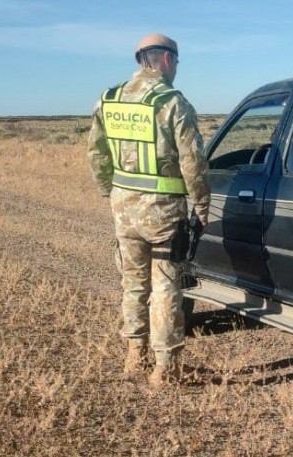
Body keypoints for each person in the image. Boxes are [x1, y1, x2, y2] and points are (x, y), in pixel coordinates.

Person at [87, 33, 210, 388]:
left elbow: (95, 154)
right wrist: (201, 204)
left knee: (133, 284)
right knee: (167, 286)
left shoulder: (109, 99)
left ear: (141, 58)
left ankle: (134, 355)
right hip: (163, 213)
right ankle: (165, 368)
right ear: (168, 60)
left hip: (123, 209)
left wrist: (109, 190)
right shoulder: (172, 102)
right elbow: (193, 161)